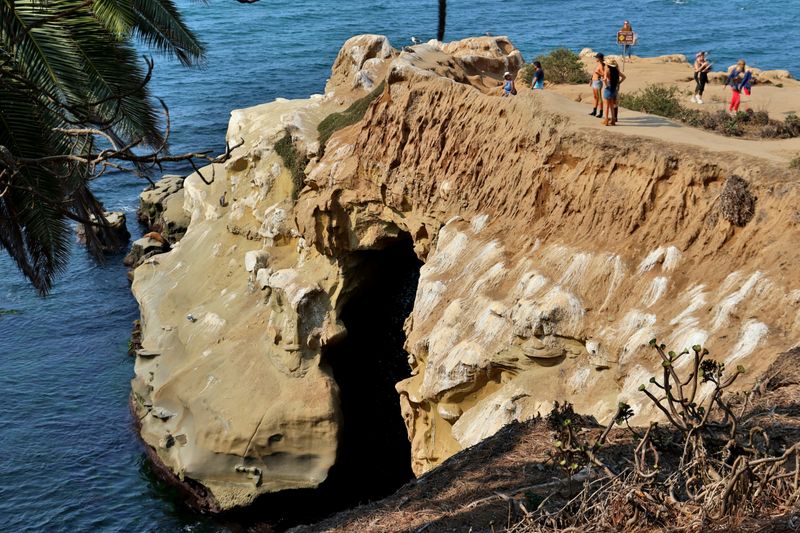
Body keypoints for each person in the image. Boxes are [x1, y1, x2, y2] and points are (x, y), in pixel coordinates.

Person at [602, 58, 625, 125]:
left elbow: (605, 79)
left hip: (609, 88)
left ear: (608, 65)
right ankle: (613, 120)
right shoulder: (616, 71)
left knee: (606, 106)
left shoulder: (607, 70)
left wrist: (606, 86)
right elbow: (624, 77)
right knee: (612, 106)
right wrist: (619, 83)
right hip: (614, 89)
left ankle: (606, 120)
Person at [589, 53, 605, 117]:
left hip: (598, 82)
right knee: (595, 97)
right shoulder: (598, 64)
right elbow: (594, 73)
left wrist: (598, 73)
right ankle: (594, 111)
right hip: (594, 82)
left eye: (596, 57)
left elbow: (604, 75)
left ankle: (601, 113)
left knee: (599, 98)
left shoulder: (601, 65)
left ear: (599, 58)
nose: (596, 58)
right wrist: (591, 79)